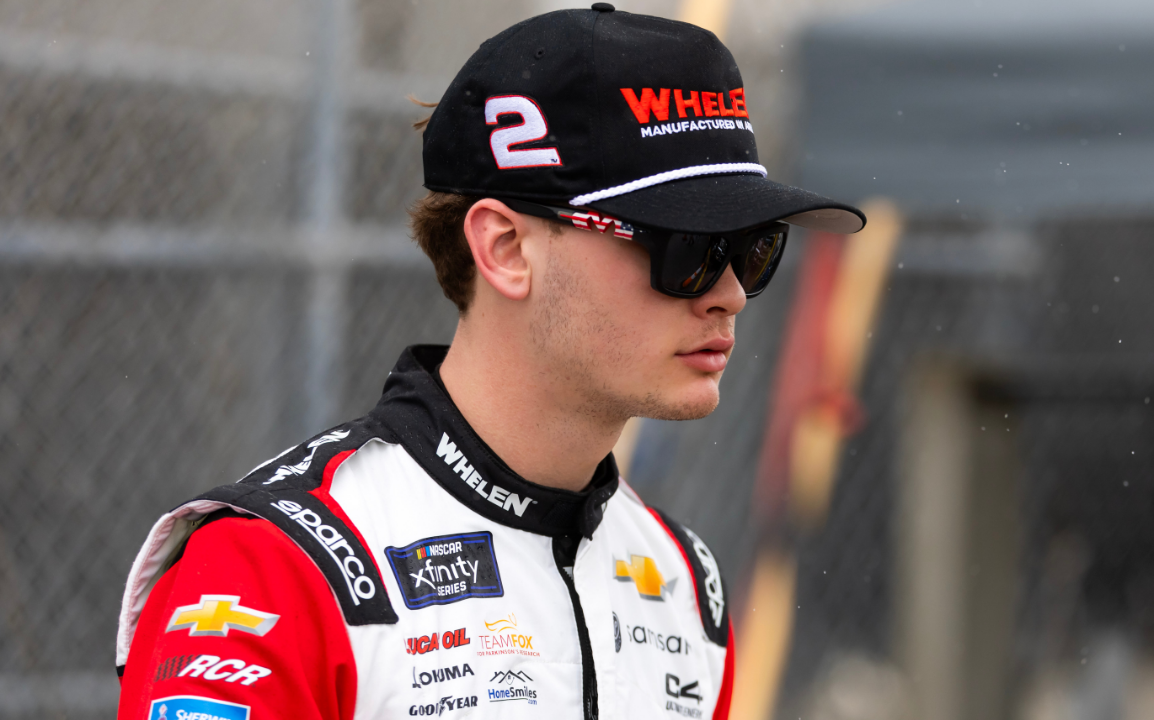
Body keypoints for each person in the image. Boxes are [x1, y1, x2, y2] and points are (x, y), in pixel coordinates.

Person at [114, 4, 865, 719]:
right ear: (505, 249)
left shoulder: (681, 581)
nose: (729, 294)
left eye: (754, 248)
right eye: (688, 248)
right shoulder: (270, 567)